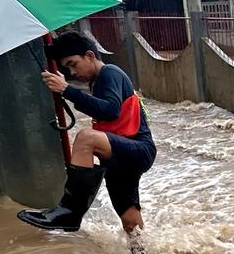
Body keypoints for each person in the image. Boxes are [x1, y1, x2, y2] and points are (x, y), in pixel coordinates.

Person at [17, 31, 156, 234]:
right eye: (67, 68)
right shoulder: (96, 82)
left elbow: (109, 110)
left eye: (73, 64)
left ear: (90, 56)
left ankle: (70, 211)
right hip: (118, 157)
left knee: (85, 138)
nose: (73, 72)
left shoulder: (110, 72)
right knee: (130, 224)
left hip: (137, 149)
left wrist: (67, 90)